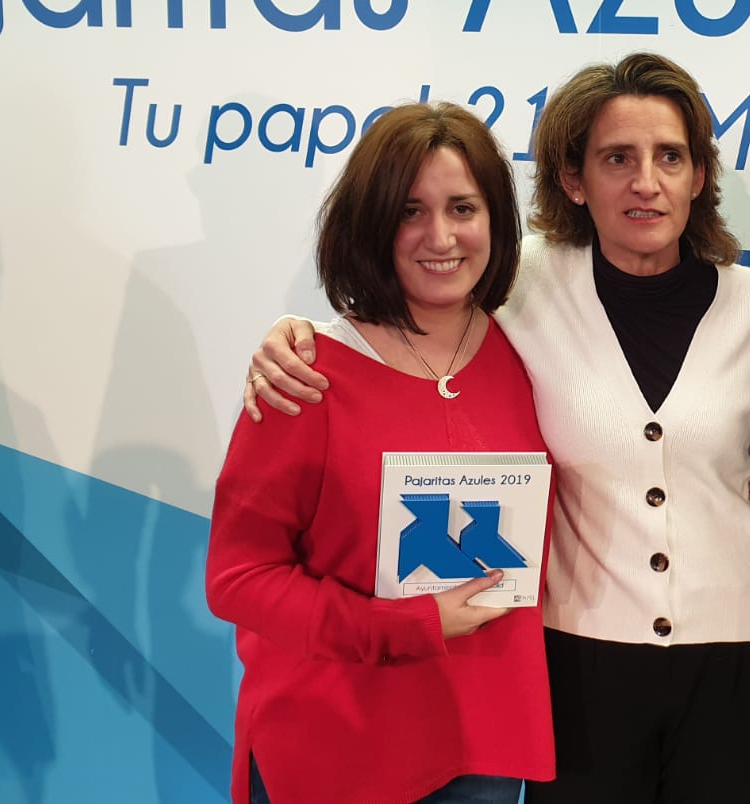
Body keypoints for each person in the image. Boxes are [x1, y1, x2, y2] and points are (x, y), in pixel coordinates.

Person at [242, 53, 750, 803]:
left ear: (700, 175)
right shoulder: (519, 282)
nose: (646, 181)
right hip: (578, 650)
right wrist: (296, 333)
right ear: (573, 179)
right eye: (617, 158)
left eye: (670, 156)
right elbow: (408, 307)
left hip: (740, 648)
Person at [206, 102, 554, 804]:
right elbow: (238, 578)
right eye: (408, 212)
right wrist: (397, 628)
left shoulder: (534, 353)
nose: (441, 237)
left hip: (482, 747)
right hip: (335, 749)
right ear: (370, 223)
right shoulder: (305, 375)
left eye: (463, 208)